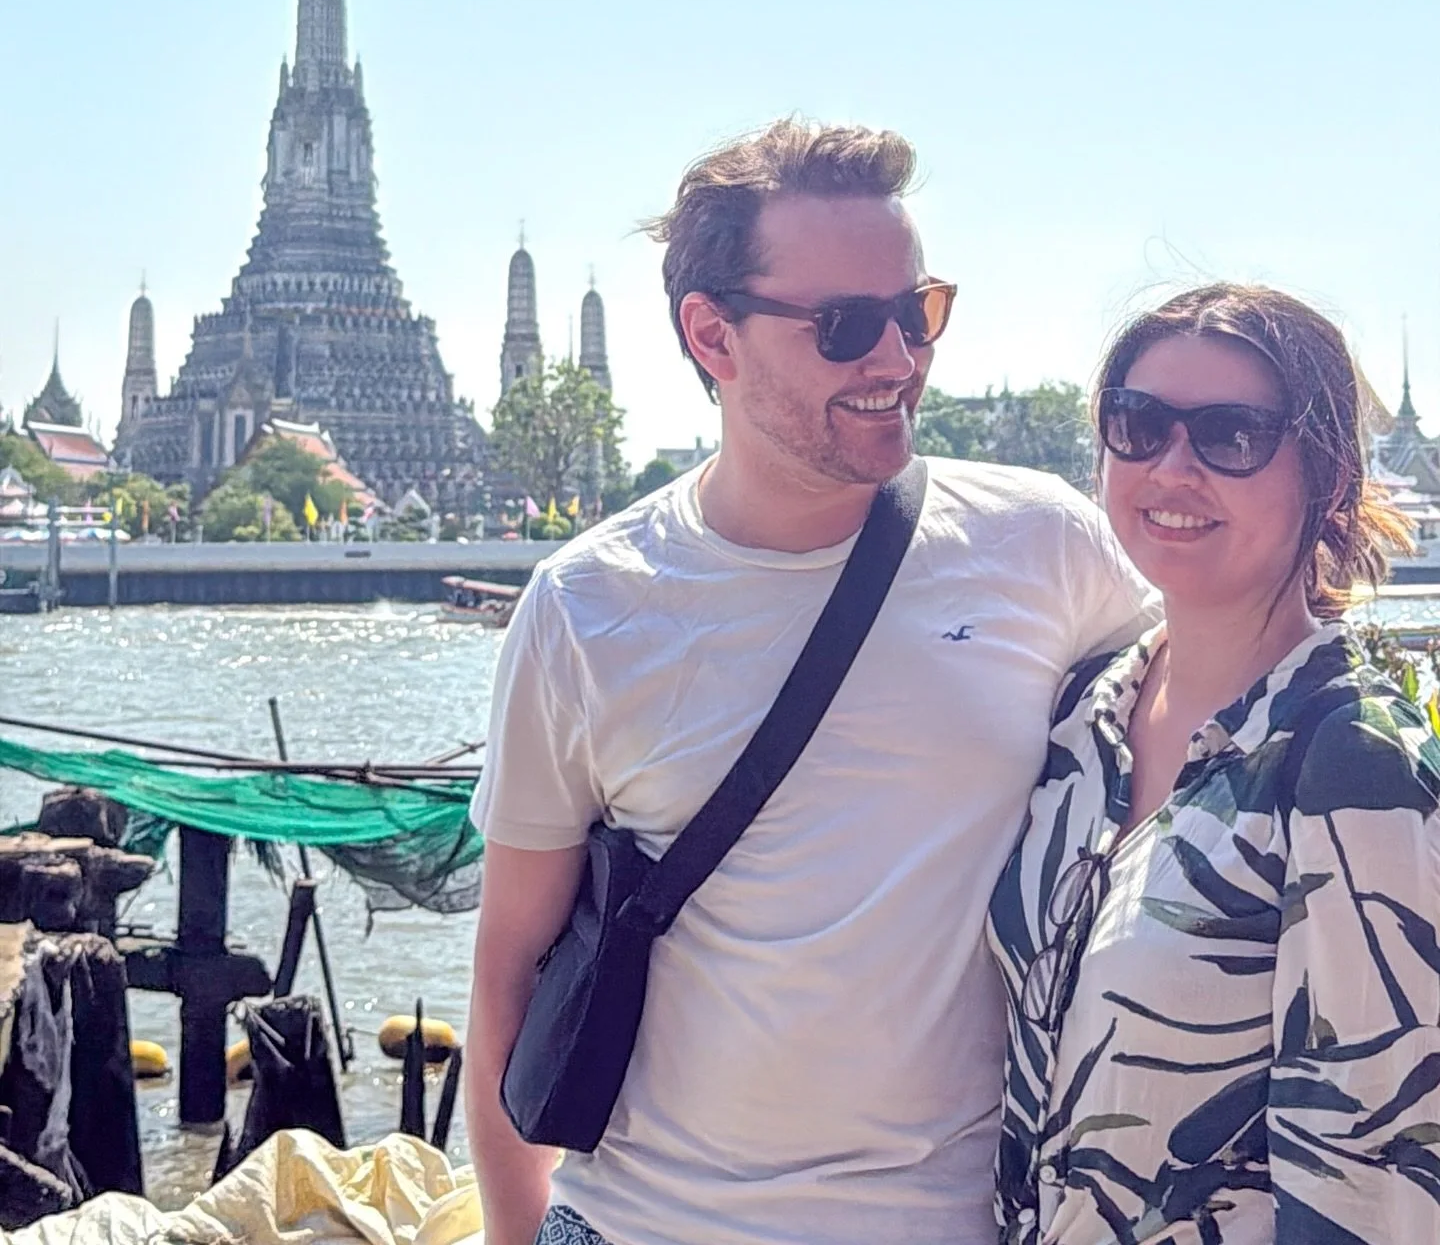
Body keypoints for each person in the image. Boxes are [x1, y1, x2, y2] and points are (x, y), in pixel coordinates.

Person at [464, 118, 1152, 1245]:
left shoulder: (1045, 546)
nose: (898, 360)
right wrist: (508, 1230)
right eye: (845, 327)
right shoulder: (588, 608)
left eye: (916, 312)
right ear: (713, 336)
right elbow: (511, 964)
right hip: (645, 1221)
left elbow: (1214, 728)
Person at [988, 283, 1440, 1244]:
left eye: (1230, 435)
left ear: (1328, 478)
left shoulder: (1351, 763)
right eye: (1138, 424)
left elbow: (1371, 1173)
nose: (1172, 467)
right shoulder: (1083, 720)